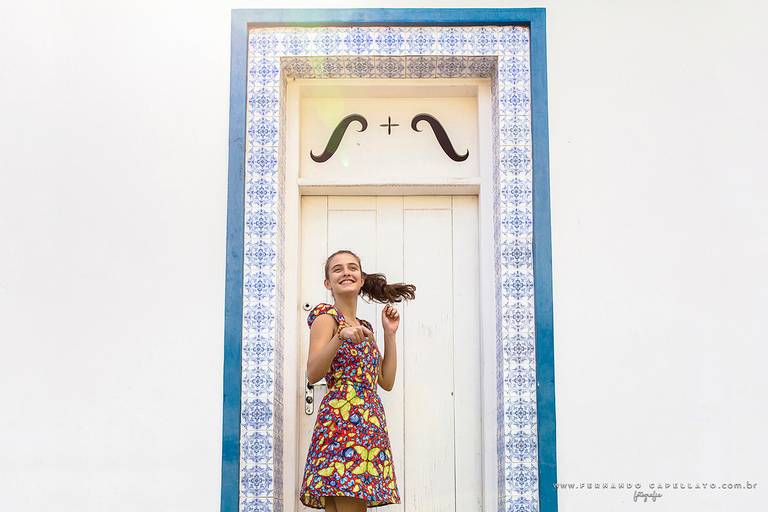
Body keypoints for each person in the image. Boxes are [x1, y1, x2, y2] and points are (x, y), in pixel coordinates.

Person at [299, 250, 416, 511]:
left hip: (368, 422)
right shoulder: (326, 317)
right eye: (337, 269)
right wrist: (340, 337)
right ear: (328, 283)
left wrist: (389, 334)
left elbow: (386, 381)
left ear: (361, 279)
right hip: (341, 423)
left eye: (352, 268)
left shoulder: (365, 327)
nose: (346, 272)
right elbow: (313, 373)